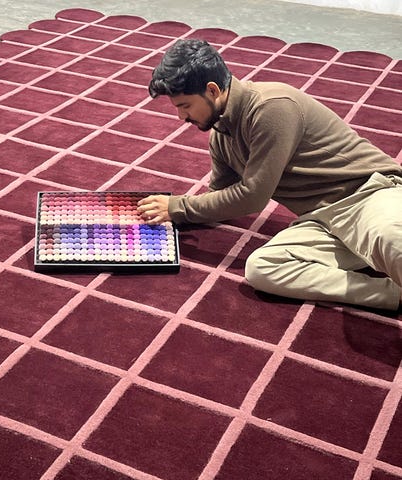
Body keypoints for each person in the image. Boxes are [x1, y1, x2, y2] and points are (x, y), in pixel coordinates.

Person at [136, 39, 402, 311]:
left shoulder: (271, 107)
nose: (181, 117)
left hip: (370, 195)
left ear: (212, 90)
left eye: (186, 105)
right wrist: (168, 216)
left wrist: (178, 206)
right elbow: (220, 198)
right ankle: (393, 295)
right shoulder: (220, 135)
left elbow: (252, 196)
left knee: (391, 239)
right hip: (322, 220)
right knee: (262, 268)